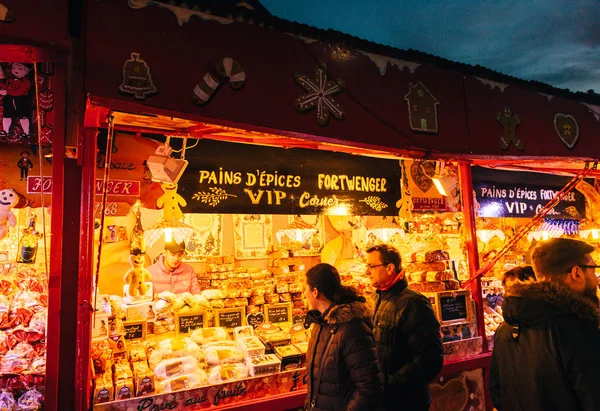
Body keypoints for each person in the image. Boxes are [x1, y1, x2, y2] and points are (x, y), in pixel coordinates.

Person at [490, 238, 600, 411]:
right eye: (594, 270)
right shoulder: (577, 329)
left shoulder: (504, 329)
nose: (597, 280)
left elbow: (498, 394)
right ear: (576, 273)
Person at [365, 244, 443, 411]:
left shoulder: (414, 303)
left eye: (371, 266)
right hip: (382, 401)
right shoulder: (374, 299)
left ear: (390, 268)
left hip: (407, 402)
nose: (367, 272)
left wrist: (390, 383)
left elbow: (430, 359)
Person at [304, 263, 383, 411]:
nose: (304, 294)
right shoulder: (320, 325)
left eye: (305, 289)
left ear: (315, 292)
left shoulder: (353, 329)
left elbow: (369, 388)